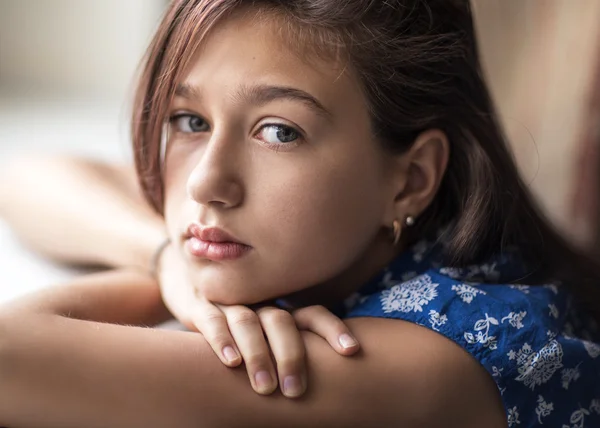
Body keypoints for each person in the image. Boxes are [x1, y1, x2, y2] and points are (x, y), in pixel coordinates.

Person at [1, 0, 599, 427]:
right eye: (191, 120)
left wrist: (174, 281)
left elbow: (12, 362)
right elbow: (27, 179)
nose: (208, 183)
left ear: (411, 178)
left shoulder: (437, 358)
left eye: (280, 131)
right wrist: (169, 264)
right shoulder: (344, 232)